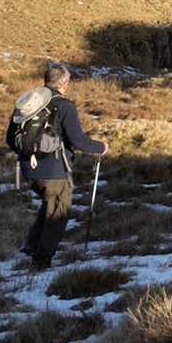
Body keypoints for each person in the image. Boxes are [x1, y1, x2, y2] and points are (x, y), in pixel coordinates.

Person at [12, 63, 106, 270]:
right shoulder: (65, 105)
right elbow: (78, 139)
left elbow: (10, 138)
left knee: (49, 206)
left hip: (28, 170)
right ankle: (41, 262)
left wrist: (30, 155)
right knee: (57, 214)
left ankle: (31, 245)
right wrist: (101, 147)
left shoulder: (28, 102)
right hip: (54, 171)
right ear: (65, 84)